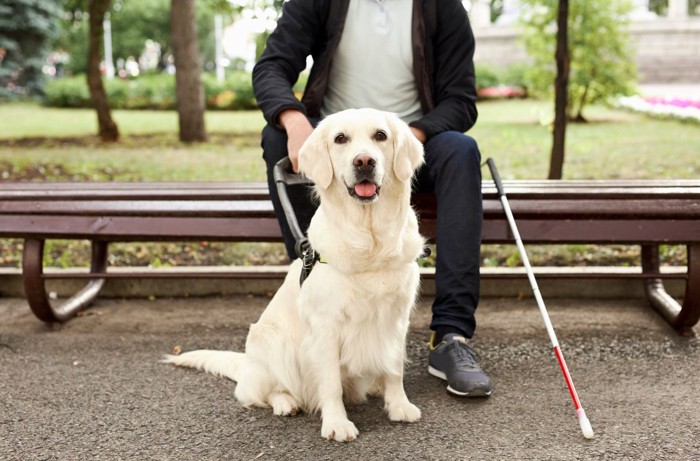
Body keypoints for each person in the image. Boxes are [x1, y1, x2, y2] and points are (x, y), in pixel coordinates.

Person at [252, 0, 492, 397]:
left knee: (462, 150)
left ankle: (450, 336)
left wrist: (402, 139)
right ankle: (315, 298)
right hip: (339, 148)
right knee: (276, 135)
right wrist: (293, 119)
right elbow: (271, 67)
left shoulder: (442, 7)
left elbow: (461, 100)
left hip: (410, 142)